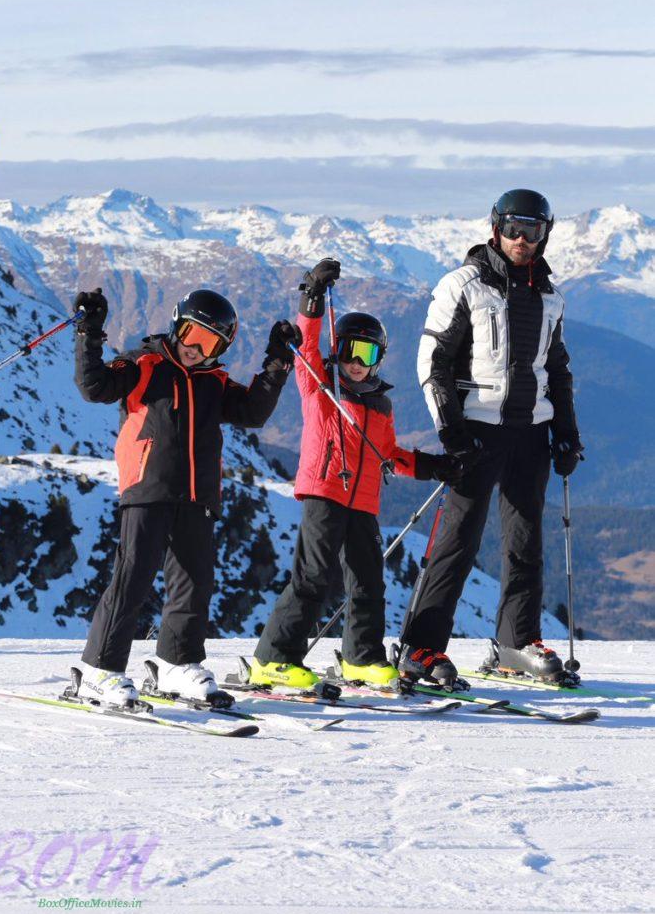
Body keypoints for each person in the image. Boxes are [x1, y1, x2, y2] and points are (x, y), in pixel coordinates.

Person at [72, 286, 299, 708]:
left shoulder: (214, 381)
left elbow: (252, 412)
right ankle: (98, 671)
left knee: (194, 583)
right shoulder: (146, 363)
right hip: (148, 485)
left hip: (198, 494)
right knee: (133, 576)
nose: (197, 349)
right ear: (177, 324)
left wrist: (277, 361)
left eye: (211, 342)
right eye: (193, 335)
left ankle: (177, 663)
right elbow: (95, 386)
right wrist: (89, 331)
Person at [398, 188, 583, 687]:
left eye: (533, 230)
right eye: (513, 228)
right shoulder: (464, 284)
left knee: (526, 545)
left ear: (547, 233)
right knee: (457, 542)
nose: (522, 239)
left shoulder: (550, 296)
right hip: (476, 432)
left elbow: (557, 369)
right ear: (495, 227)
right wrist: (451, 432)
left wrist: (567, 433)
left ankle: (516, 644)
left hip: (532, 433)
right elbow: (431, 362)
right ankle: (422, 648)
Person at [251, 258, 464, 690]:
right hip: (325, 492)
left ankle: (361, 658)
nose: (356, 363)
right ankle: (274, 658)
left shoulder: (379, 405)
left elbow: (388, 455)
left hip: (363, 500)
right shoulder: (319, 386)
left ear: (378, 359)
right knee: (312, 577)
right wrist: (312, 296)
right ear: (339, 351)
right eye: (349, 351)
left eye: (366, 354)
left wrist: (433, 466)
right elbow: (306, 346)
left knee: (368, 582)